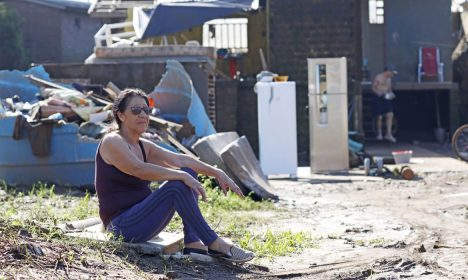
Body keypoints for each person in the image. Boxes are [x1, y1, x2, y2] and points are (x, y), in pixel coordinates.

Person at [95, 88, 254, 263]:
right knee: (177, 183)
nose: (143, 114)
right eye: (135, 110)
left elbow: (181, 160)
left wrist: (217, 171)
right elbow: (137, 168)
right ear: (121, 115)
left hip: (143, 220)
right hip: (120, 226)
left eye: (146, 110)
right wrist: (179, 176)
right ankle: (215, 244)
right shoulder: (112, 141)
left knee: (187, 172)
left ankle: (194, 242)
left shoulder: (142, 145)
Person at [372, 69, 397, 143]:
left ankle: (389, 134)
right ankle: (379, 134)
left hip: (386, 97)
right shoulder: (379, 77)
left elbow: (389, 89)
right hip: (378, 97)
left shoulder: (389, 79)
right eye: (391, 73)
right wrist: (378, 93)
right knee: (379, 116)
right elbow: (374, 87)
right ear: (387, 71)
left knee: (390, 114)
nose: (392, 75)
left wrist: (391, 94)